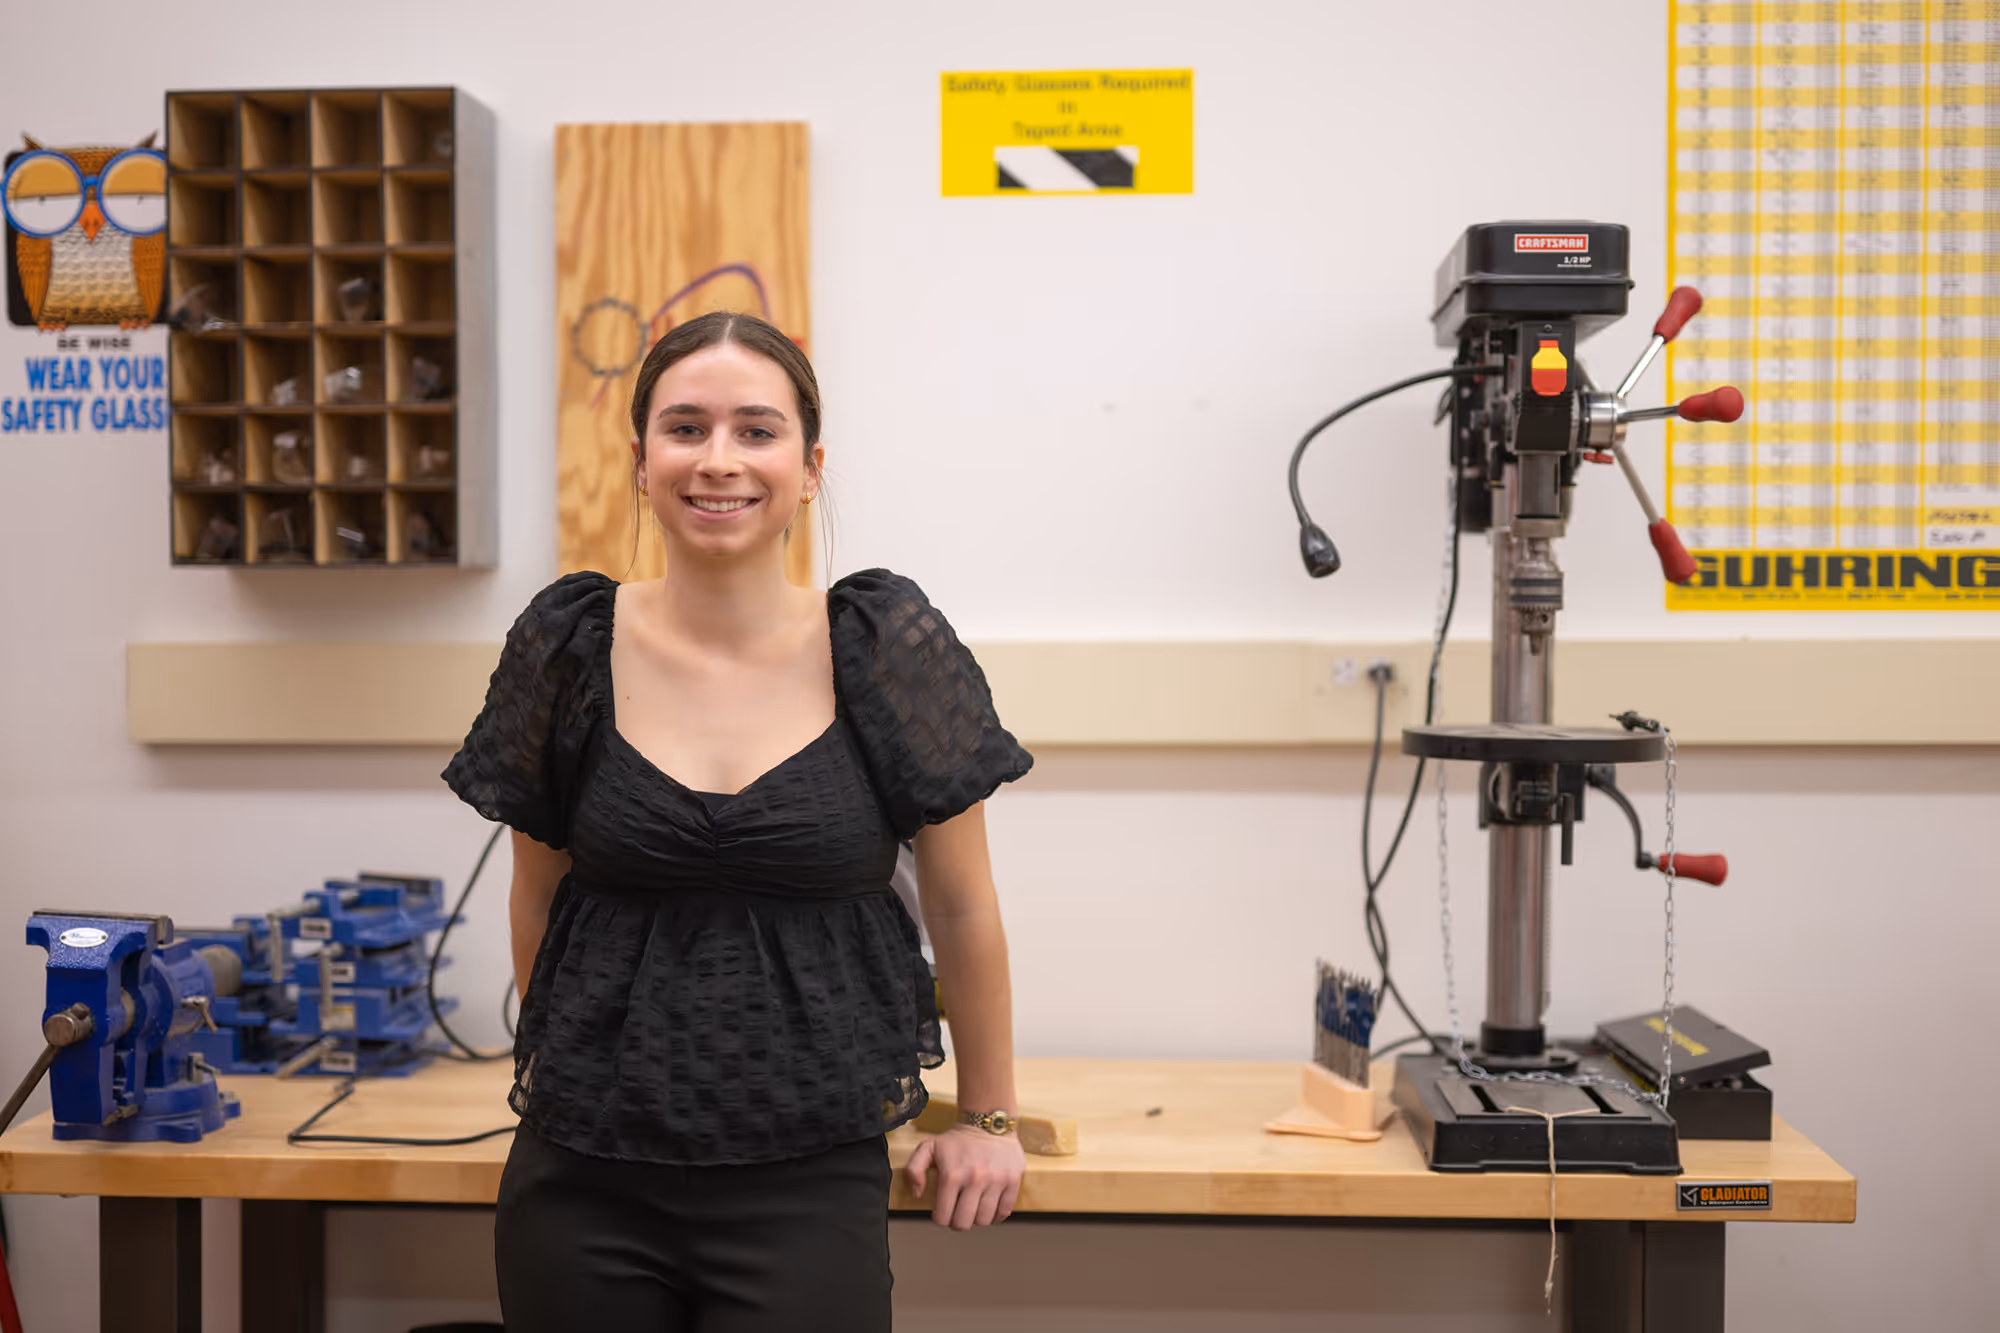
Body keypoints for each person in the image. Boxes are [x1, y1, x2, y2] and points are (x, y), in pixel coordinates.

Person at [442, 310, 1032, 1331]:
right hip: (582, 1176)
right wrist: (604, 1068)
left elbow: (964, 904)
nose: (719, 460)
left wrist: (987, 1116)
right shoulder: (567, 646)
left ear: (808, 466)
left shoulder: (883, 645)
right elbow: (537, 899)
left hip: (806, 1176)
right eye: (686, 428)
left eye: (755, 430)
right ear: (639, 461)